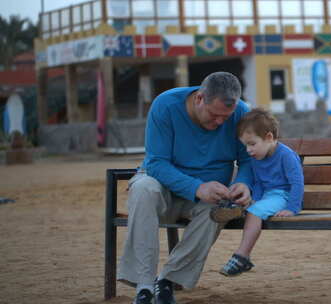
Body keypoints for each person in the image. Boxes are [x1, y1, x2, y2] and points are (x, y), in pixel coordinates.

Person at [118, 72, 253, 304]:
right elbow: (156, 163)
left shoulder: (241, 113)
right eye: (214, 114)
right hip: (163, 191)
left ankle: (167, 281)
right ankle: (144, 286)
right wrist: (197, 187)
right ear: (200, 98)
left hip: (206, 200)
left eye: (225, 117)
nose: (220, 122)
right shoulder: (165, 105)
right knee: (143, 189)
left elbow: (248, 161)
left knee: (221, 208)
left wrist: (243, 182)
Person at [219, 108, 304, 276]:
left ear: (269, 138)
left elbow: (297, 182)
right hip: (267, 197)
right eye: (245, 146)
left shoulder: (286, 155)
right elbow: (258, 182)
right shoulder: (257, 157)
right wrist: (254, 199)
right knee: (244, 206)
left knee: (254, 212)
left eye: (252, 144)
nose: (248, 150)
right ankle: (231, 209)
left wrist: (292, 208)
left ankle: (241, 255)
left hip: (283, 196)